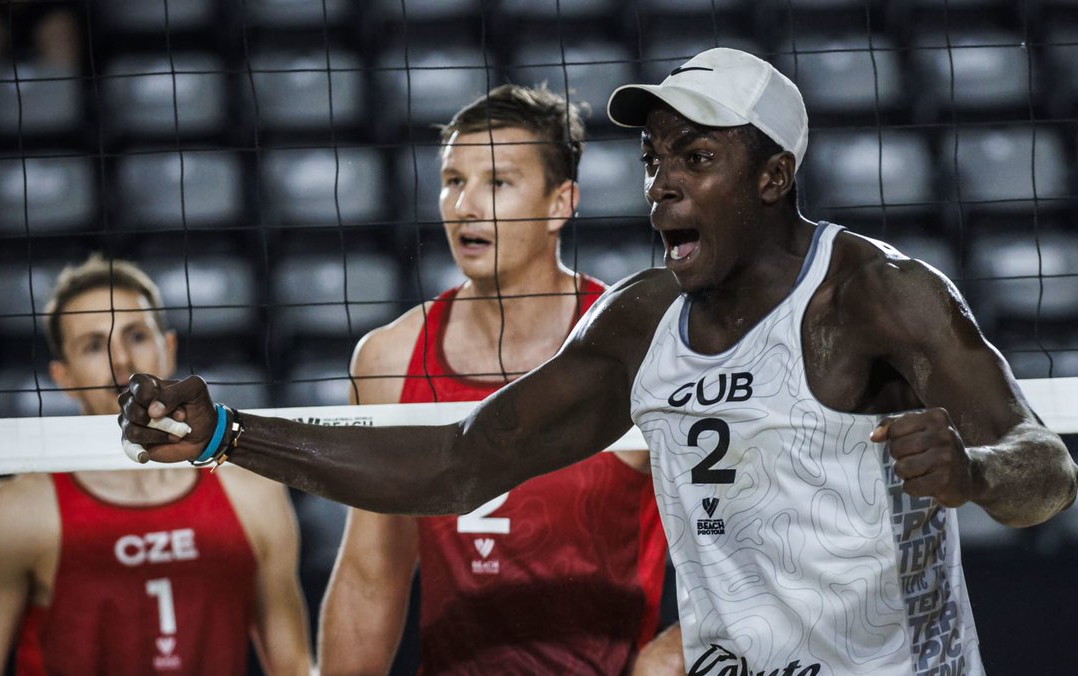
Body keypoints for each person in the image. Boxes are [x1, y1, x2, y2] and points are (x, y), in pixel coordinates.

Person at [121, 48, 1078, 675]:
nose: (662, 184)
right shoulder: (642, 322)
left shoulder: (878, 291)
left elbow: (1048, 470)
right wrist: (225, 433)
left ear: (774, 176)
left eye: (695, 158)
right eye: (655, 159)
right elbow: (460, 465)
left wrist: (976, 471)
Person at [316, 84, 674, 675]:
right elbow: (370, 577)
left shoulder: (639, 346)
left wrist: (676, 653)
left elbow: (743, 540)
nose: (466, 205)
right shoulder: (390, 358)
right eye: (454, 180)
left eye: (497, 182)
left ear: (562, 203)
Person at [0, 254, 311, 676]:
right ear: (62, 377)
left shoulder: (253, 491)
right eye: (92, 345)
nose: (120, 358)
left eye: (136, 335)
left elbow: (296, 667)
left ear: (169, 348)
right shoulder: (17, 510)